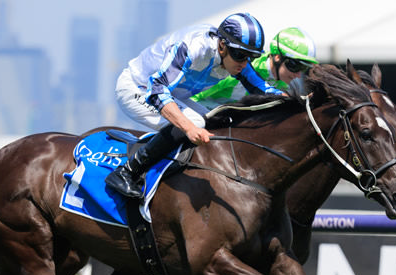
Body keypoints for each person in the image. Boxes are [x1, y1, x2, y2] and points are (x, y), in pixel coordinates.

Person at [106, 13, 282, 199]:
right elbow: (156, 91)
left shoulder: (233, 56)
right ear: (222, 45)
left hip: (168, 93)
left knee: (216, 120)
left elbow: (263, 90)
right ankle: (127, 171)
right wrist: (188, 128)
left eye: (251, 57)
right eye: (240, 55)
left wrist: (301, 101)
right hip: (138, 88)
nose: (244, 63)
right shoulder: (194, 48)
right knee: (195, 123)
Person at [191, 26, 318, 109]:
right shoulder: (239, 68)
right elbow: (194, 97)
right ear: (277, 57)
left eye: (304, 69)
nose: (298, 75)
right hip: (201, 112)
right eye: (296, 66)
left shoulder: (282, 83)